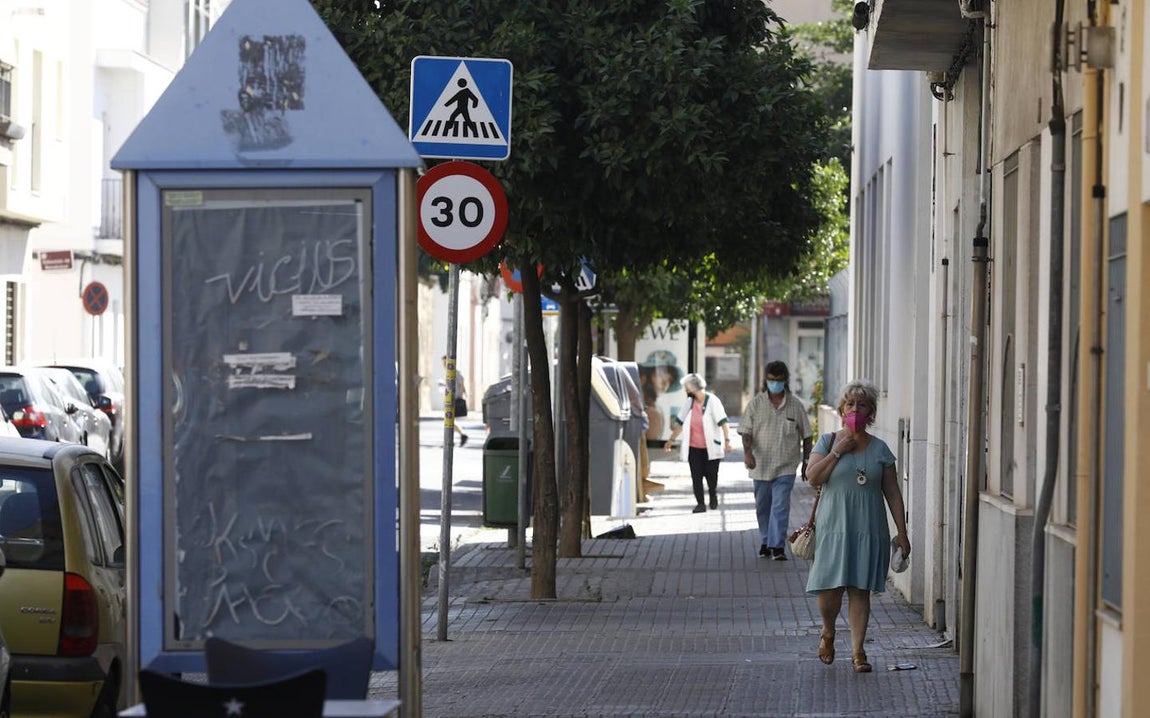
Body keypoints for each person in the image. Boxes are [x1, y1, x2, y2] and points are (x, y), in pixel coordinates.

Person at [803, 379, 911, 674]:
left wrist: (902, 532)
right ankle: (828, 631)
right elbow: (812, 478)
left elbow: (893, 494)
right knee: (829, 591)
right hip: (833, 529)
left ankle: (858, 652)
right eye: (850, 404)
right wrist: (838, 451)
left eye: (862, 405)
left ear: (872, 413)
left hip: (868, 529)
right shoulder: (827, 441)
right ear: (841, 409)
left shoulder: (881, 450)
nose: (855, 410)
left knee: (860, 590)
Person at [738, 361, 812, 560]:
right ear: (766, 380)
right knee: (763, 506)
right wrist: (747, 453)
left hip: (786, 466)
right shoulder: (756, 404)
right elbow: (745, 432)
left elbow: (807, 434)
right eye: (771, 380)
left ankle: (777, 546)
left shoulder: (795, 405)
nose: (775, 384)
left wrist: (806, 461)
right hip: (760, 466)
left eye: (779, 380)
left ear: (785, 380)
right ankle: (765, 540)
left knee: (780, 506)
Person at [663, 373, 732, 513]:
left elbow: (723, 422)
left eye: (687, 387)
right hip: (694, 448)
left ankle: (713, 495)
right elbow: (680, 424)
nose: (686, 390)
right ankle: (700, 504)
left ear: (694, 387)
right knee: (696, 477)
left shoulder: (713, 401)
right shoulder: (689, 403)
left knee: (711, 477)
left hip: (710, 447)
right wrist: (670, 440)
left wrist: (727, 441)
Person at [440, 356, 468, 447]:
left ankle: (453, 438)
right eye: (443, 363)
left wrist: (460, 396)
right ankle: (459, 436)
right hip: (449, 399)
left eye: (445, 362)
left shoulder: (456, 373)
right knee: (449, 420)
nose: (444, 365)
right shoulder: (448, 373)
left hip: (454, 399)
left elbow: (461, 384)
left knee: (449, 420)